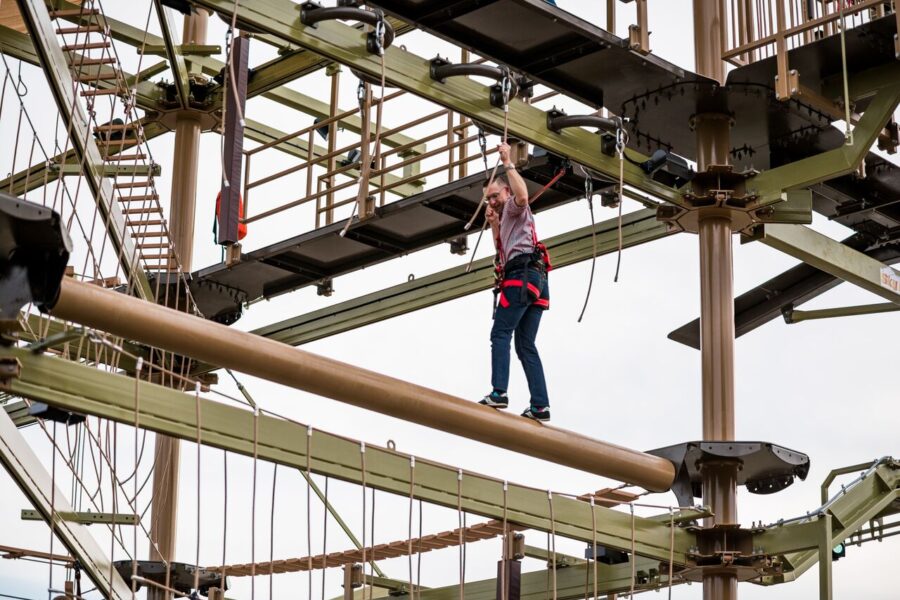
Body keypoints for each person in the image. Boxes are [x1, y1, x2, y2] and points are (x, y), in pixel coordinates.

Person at [478, 143, 551, 422]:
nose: (492, 202)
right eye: (488, 199)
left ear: (505, 192)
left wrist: (508, 161)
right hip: (534, 279)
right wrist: (494, 224)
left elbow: (522, 196)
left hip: (522, 276)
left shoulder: (512, 206)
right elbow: (503, 252)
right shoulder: (507, 217)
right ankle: (540, 405)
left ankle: (499, 392)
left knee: (500, 334)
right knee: (525, 344)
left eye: (494, 196)